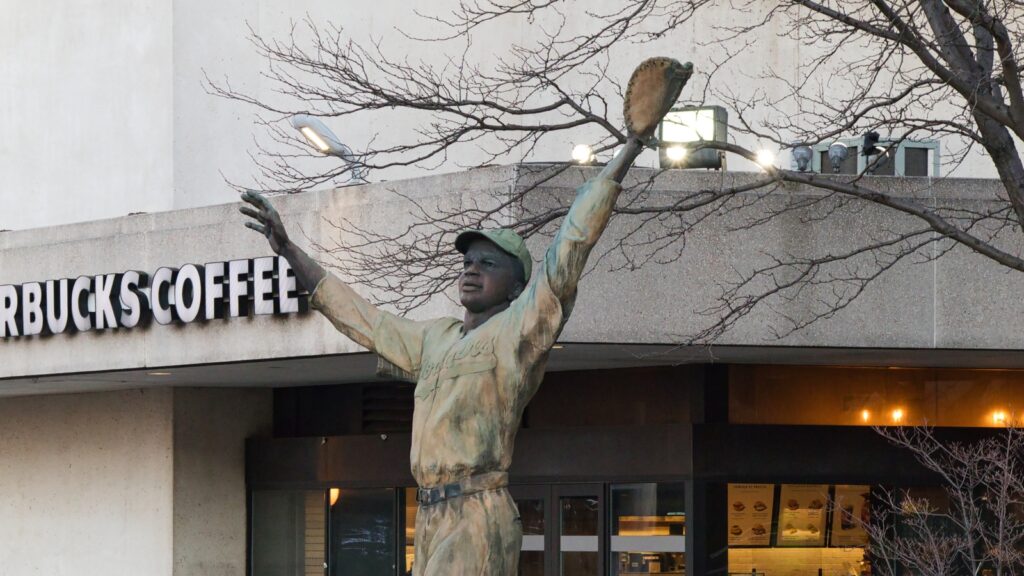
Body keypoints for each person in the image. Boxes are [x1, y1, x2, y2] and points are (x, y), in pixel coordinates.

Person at [240, 56, 691, 576]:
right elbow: (360, 317)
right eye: (468, 261)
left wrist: (629, 150)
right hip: (430, 513)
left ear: (518, 285)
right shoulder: (435, 339)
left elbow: (571, 243)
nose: (472, 270)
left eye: (488, 264)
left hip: (478, 507)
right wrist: (288, 248)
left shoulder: (520, 329)